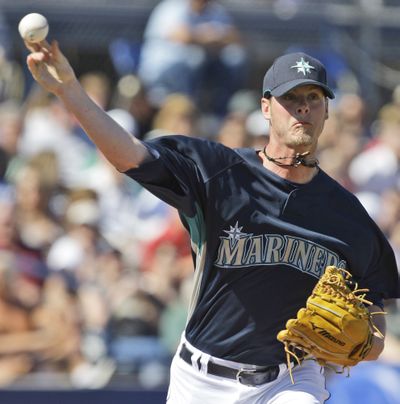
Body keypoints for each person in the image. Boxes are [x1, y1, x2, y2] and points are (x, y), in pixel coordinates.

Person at [24, 39, 399, 403]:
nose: (303, 108)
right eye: (291, 98)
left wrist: (369, 343)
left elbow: (376, 309)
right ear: (266, 108)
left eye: (313, 98)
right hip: (201, 378)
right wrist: (70, 90)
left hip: (290, 379)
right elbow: (128, 156)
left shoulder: (346, 215)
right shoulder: (218, 172)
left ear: (326, 111)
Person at [137, 0, 247, 114]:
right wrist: (207, 36)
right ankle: (187, 110)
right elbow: (179, 35)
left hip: (198, 67)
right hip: (161, 69)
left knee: (234, 59)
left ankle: (221, 111)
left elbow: (234, 37)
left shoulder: (216, 10)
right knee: (193, 59)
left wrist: (210, 37)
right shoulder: (173, 6)